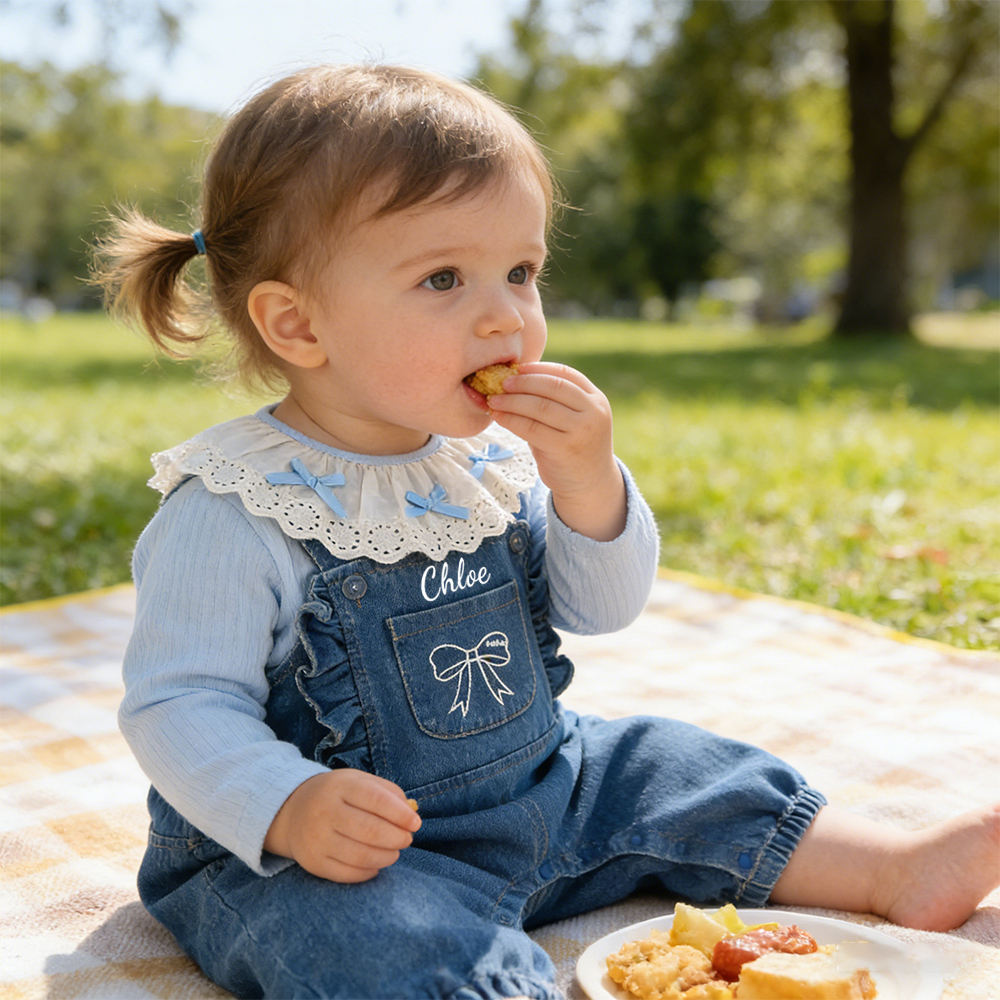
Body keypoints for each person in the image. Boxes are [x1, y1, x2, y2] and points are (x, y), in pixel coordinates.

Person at [96, 64, 999, 1000]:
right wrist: (282, 806)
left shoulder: (489, 464)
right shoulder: (236, 504)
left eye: (521, 272)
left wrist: (586, 482)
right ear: (297, 322)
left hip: (543, 789)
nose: (506, 317)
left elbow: (603, 608)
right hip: (331, 857)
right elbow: (176, 703)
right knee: (365, 941)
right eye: (443, 277)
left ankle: (891, 867)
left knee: (670, 769)